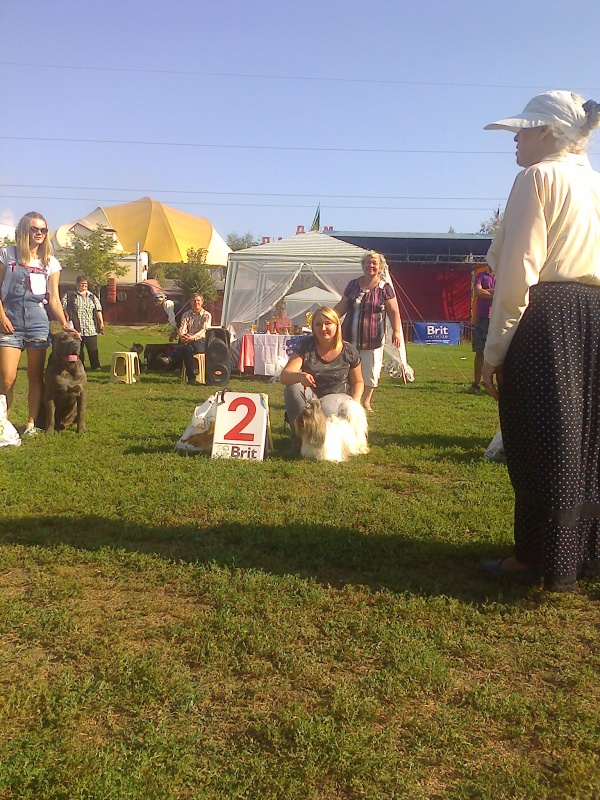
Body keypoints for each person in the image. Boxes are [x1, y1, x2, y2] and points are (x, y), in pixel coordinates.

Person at [480, 90, 600, 592]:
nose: (515, 139)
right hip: (593, 314)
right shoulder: (594, 182)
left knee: (538, 436)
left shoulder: (538, 178)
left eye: (523, 130)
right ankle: (583, 551)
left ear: (547, 132)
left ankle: (534, 557)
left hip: (549, 316)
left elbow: (517, 274)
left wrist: (493, 353)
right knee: (586, 438)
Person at [0, 211, 78, 435]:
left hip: (37, 321)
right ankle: (3, 423)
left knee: (35, 377)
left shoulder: (50, 262)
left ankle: (31, 424)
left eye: (43, 230)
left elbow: (54, 299)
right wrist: (2, 317)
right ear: (24, 230)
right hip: (9, 320)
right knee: (6, 378)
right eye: (35, 229)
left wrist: (65, 323)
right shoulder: (7, 254)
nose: (40, 233)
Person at [280, 306, 364, 451]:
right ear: (313, 327)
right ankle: (299, 437)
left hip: (337, 396)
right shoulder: (305, 346)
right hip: (311, 396)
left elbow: (358, 381)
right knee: (293, 388)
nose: (323, 328)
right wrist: (300, 376)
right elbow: (284, 376)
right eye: (318, 324)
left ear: (337, 325)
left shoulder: (349, 350)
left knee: (326, 408)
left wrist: (356, 402)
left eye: (328, 323)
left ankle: (326, 441)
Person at [334, 251, 402, 412]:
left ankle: (365, 401)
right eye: (367, 262)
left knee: (370, 371)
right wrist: (328, 318)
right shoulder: (353, 285)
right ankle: (349, 399)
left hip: (373, 339)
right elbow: (342, 306)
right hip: (348, 338)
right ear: (362, 265)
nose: (370, 265)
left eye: (374, 263)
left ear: (380, 267)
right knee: (346, 369)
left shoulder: (385, 288)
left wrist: (397, 331)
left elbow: (394, 311)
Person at [158, 293, 211, 383]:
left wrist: (192, 337)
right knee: (187, 349)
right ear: (190, 302)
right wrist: (183, 336)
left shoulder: (206, 315)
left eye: (198, 300)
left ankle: (171, 359)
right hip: (187, 341)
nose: (196, 303)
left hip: (200, 341)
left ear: (202, 302)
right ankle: (191, 378)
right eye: (194, 301)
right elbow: (182, 328)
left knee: (186, 347)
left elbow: (204, 330)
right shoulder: (186, 314)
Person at [62, 275, 104, 370]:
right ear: (77, 284)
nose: (84, 285)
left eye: (85, 284)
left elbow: (98, 310)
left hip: (90, 328)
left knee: (93, 349)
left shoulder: (92, 296)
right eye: (82, 284)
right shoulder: (70, 295)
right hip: (76, 328)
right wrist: (66, 317)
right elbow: (64, 307)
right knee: (78, 349)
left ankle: (96, 367)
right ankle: (79, 367)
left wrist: (101, 323)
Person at [467, 265, 495, 394]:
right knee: (480, 351)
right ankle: (476, 383)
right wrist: (495, 293)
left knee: (498, 353)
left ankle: (492, 381)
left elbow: (505, 294)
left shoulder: (504, 276)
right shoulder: (481, 275)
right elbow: (478, 292)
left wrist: (486, 292)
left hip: (498, 318)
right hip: (482, 318)